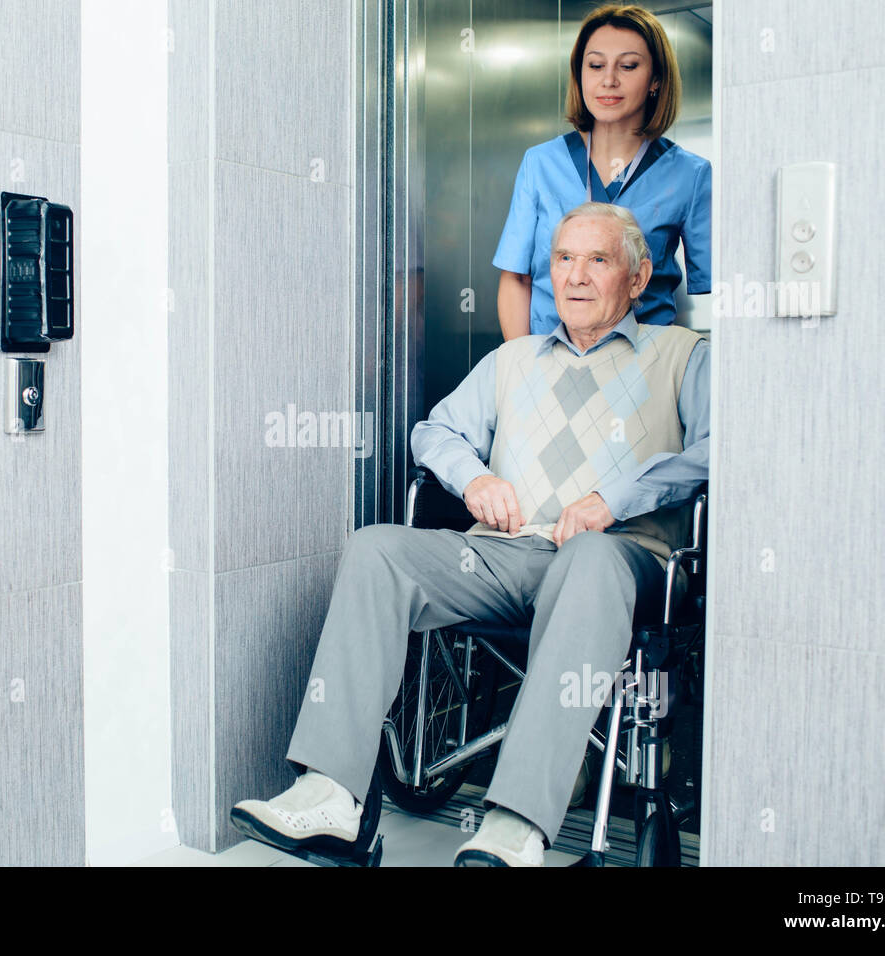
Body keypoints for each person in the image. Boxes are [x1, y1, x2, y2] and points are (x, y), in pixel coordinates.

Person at [232, 202, 709, 866]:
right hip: (507, 556)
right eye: (563, 259)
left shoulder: (682, 357)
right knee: (376, 548)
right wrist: (475, 479)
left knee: (593, 557)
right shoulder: (513, 362)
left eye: (597, 260)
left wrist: (617, 498)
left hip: (621, 563)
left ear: (636, 275)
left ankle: (516, 825)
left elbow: (722, 447)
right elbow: (434, 431)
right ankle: (330, 795)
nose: (574, 276)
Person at [495, 3, 710, 340]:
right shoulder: (541, 163)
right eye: (595, 65)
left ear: (656, 79)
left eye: (627, 66)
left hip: (644, 366)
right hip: (549, 362)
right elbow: (516, 278)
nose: (608, 80)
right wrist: (524, 367)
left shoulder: (689, 174)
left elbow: (716, 289)